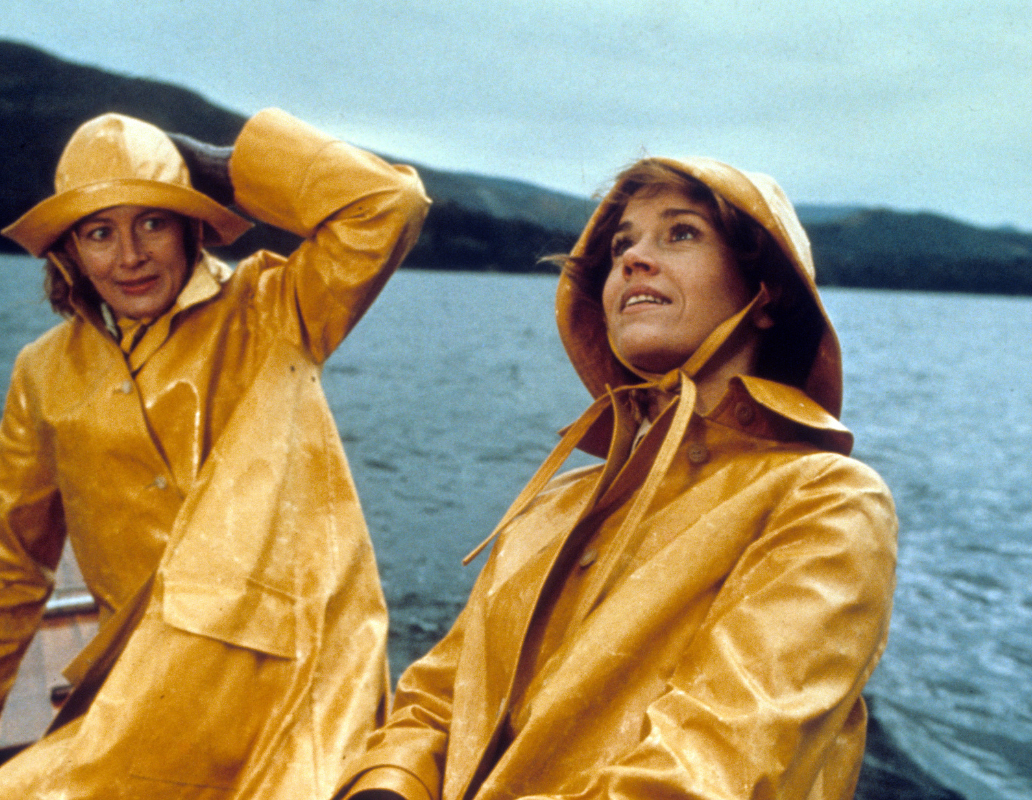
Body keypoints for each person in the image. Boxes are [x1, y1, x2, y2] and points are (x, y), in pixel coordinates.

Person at [0, 108, 429, 800]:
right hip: (146, 688)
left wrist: (227, 164)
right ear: (68, 251)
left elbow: (388, 206)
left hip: (296, 681)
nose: (128, 256)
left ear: (192, 225)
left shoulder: (273, 308)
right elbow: (7, 571)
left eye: (152, 222)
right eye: (99, 232)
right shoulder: (43, 373)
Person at [334, 157, 897, 800]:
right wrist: (385, 785)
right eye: (622, 244)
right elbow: (436, 703)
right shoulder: (557, 504)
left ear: (765, 295)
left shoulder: (824, 499)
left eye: (680, 233)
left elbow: (719, 765)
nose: (633, 259)